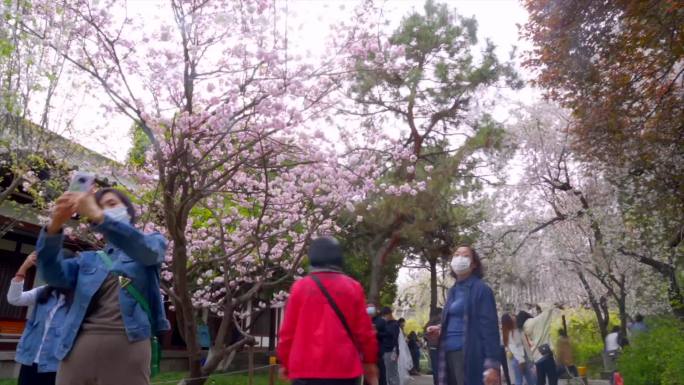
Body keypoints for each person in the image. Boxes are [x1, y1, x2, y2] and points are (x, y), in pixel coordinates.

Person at [37, 187, 170, 385]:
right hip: (77, 346)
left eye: (112, 204)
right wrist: (54, 227)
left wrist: (98, 215)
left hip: (129, 345)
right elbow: (52, 275)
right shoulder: (87, 260)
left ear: (129, 211)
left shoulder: (153, 241)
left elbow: (148, 253)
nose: (105, 210)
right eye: (99, 207)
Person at [277, 236, 379, 385]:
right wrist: (370, 361)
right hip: (344, 369)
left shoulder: (299, 288)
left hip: (305, 369)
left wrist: (285, 362)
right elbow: (365, 332)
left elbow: (287, 333)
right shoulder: (353, 287)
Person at [425, 246, 501, 385]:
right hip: (447, 352)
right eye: (457, 254)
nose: (459, 258)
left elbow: (490, 329)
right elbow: (456, 320)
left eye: (465, 256)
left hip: (469, 353)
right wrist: (439, 329)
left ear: (474, 264)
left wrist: (492, 365)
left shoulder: (481, 289)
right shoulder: (453, 290)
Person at [7, 252, 70, 385]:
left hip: (57, 365)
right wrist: (24, 267)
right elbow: (14, 299)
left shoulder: (80, 299)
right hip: (31, 360)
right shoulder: (43, 292)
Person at [521, 304, 563, 385]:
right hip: (545, 354)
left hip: (536, 358)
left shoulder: (523, 329)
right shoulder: (536, 321)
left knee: (540, 381)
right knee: (553, 379)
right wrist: (539, 303)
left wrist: (532, 360)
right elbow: (548, 308)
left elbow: (527, 347)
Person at [506, 312, 536, 385]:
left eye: (515, 320)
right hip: (519, 359)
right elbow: (516, 348)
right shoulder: (513, 333)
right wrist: (521, 361)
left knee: (529, 379)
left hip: (522, 359)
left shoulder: (518, 331)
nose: (515, 321)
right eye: (513, 321)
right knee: (520, 380)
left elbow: (525, 346)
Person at [379, 307, 401, 385]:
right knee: (389, 374)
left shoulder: (394, 324)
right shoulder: (389, 324)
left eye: (384, 316)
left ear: (389, 314)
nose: (383, 318)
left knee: (392, 374)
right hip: (388, 351)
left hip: (390, 351)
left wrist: (378, 333)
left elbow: (391, 335)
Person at [369, 304, 387, 385]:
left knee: (380, 374)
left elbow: (386, 334)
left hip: (378, 352)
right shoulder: (363, 320)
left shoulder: (381, 321)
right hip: (367, 355)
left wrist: (376, 333)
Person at [424, 308, 443, 385]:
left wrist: (429, 341)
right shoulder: (440, 321)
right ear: (439, 314)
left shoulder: (429, 323)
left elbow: (425, 335)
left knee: (435, 368)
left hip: (432, 347)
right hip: (439, 346)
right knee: (440, 368)